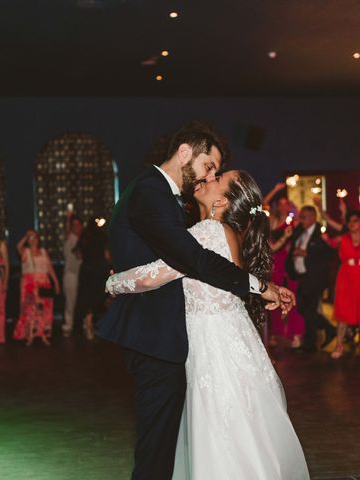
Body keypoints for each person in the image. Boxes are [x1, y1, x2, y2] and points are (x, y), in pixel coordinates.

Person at [97, 121, 295, 480]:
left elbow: (169, 268)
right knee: (231, 432)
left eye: (216, 176)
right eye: (210, 167)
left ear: (222, 200)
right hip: (209, 343)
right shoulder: (211, 225)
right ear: (186, 153)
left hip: (207, 346)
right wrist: (261, 286)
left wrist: (113, 282)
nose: (208, 176)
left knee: (210, 434)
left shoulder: (206, 231)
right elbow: (190, 261)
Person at [330, 211, 360, 360]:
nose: (351, 224)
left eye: (355, 221)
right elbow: (331, 245)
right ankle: (339, 345)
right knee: (343, 313)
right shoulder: (343, 239)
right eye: (350, 221)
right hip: (346, 278)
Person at [286, 206, 337, 353]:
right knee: (304, 308)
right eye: (300, 216)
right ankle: (328, 329)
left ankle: (310, 344)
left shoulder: (320, 232)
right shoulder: (299, 231)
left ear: (313, 217)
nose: (301, 220)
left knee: (307, 308)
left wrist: (306, 253)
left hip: (314, 277)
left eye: (304, 217)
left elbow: (329, 252)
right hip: (301, 275)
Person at [268, 196, 304, 348]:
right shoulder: (272, 221)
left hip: (288, 262)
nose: (284, 206)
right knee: (273, 295)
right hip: (274, 261)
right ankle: (274, 333)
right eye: (281, 203)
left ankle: (295, 334)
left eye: (286, 204)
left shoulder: (294, 224)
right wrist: (275, 191)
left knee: (293, 296)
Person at [13, 229, 60, 346]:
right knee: (29, 309)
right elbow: (18, 246)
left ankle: (43, 334)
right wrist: (26, 236)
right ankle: (30, 335)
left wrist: (56, 282)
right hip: (29, 284)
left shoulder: (43, 252)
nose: (33, 240)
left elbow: (49, 268)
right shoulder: (25, 251)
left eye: (35, 237)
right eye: (31, 238)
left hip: (44, 283)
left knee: (44, 310)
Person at [74, 218, 111, 340]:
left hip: (87, 271)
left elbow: (77, 253)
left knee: (87, 299)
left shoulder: (85, 236)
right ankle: (90, 325)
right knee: (97, 298)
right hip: (99, 271)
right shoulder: (102, 236)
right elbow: (107, 254)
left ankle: (88, 323)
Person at [62, 211, 83, 337]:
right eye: (73, 225)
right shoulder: (70, 238)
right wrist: (68, 218)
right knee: (70, 301)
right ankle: (68, 325)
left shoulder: (84, 239)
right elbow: (67, 231)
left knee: (82, 301)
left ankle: (85, 324)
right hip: (70, 274)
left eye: (78, 225)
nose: (76, 227)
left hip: (83, 274)